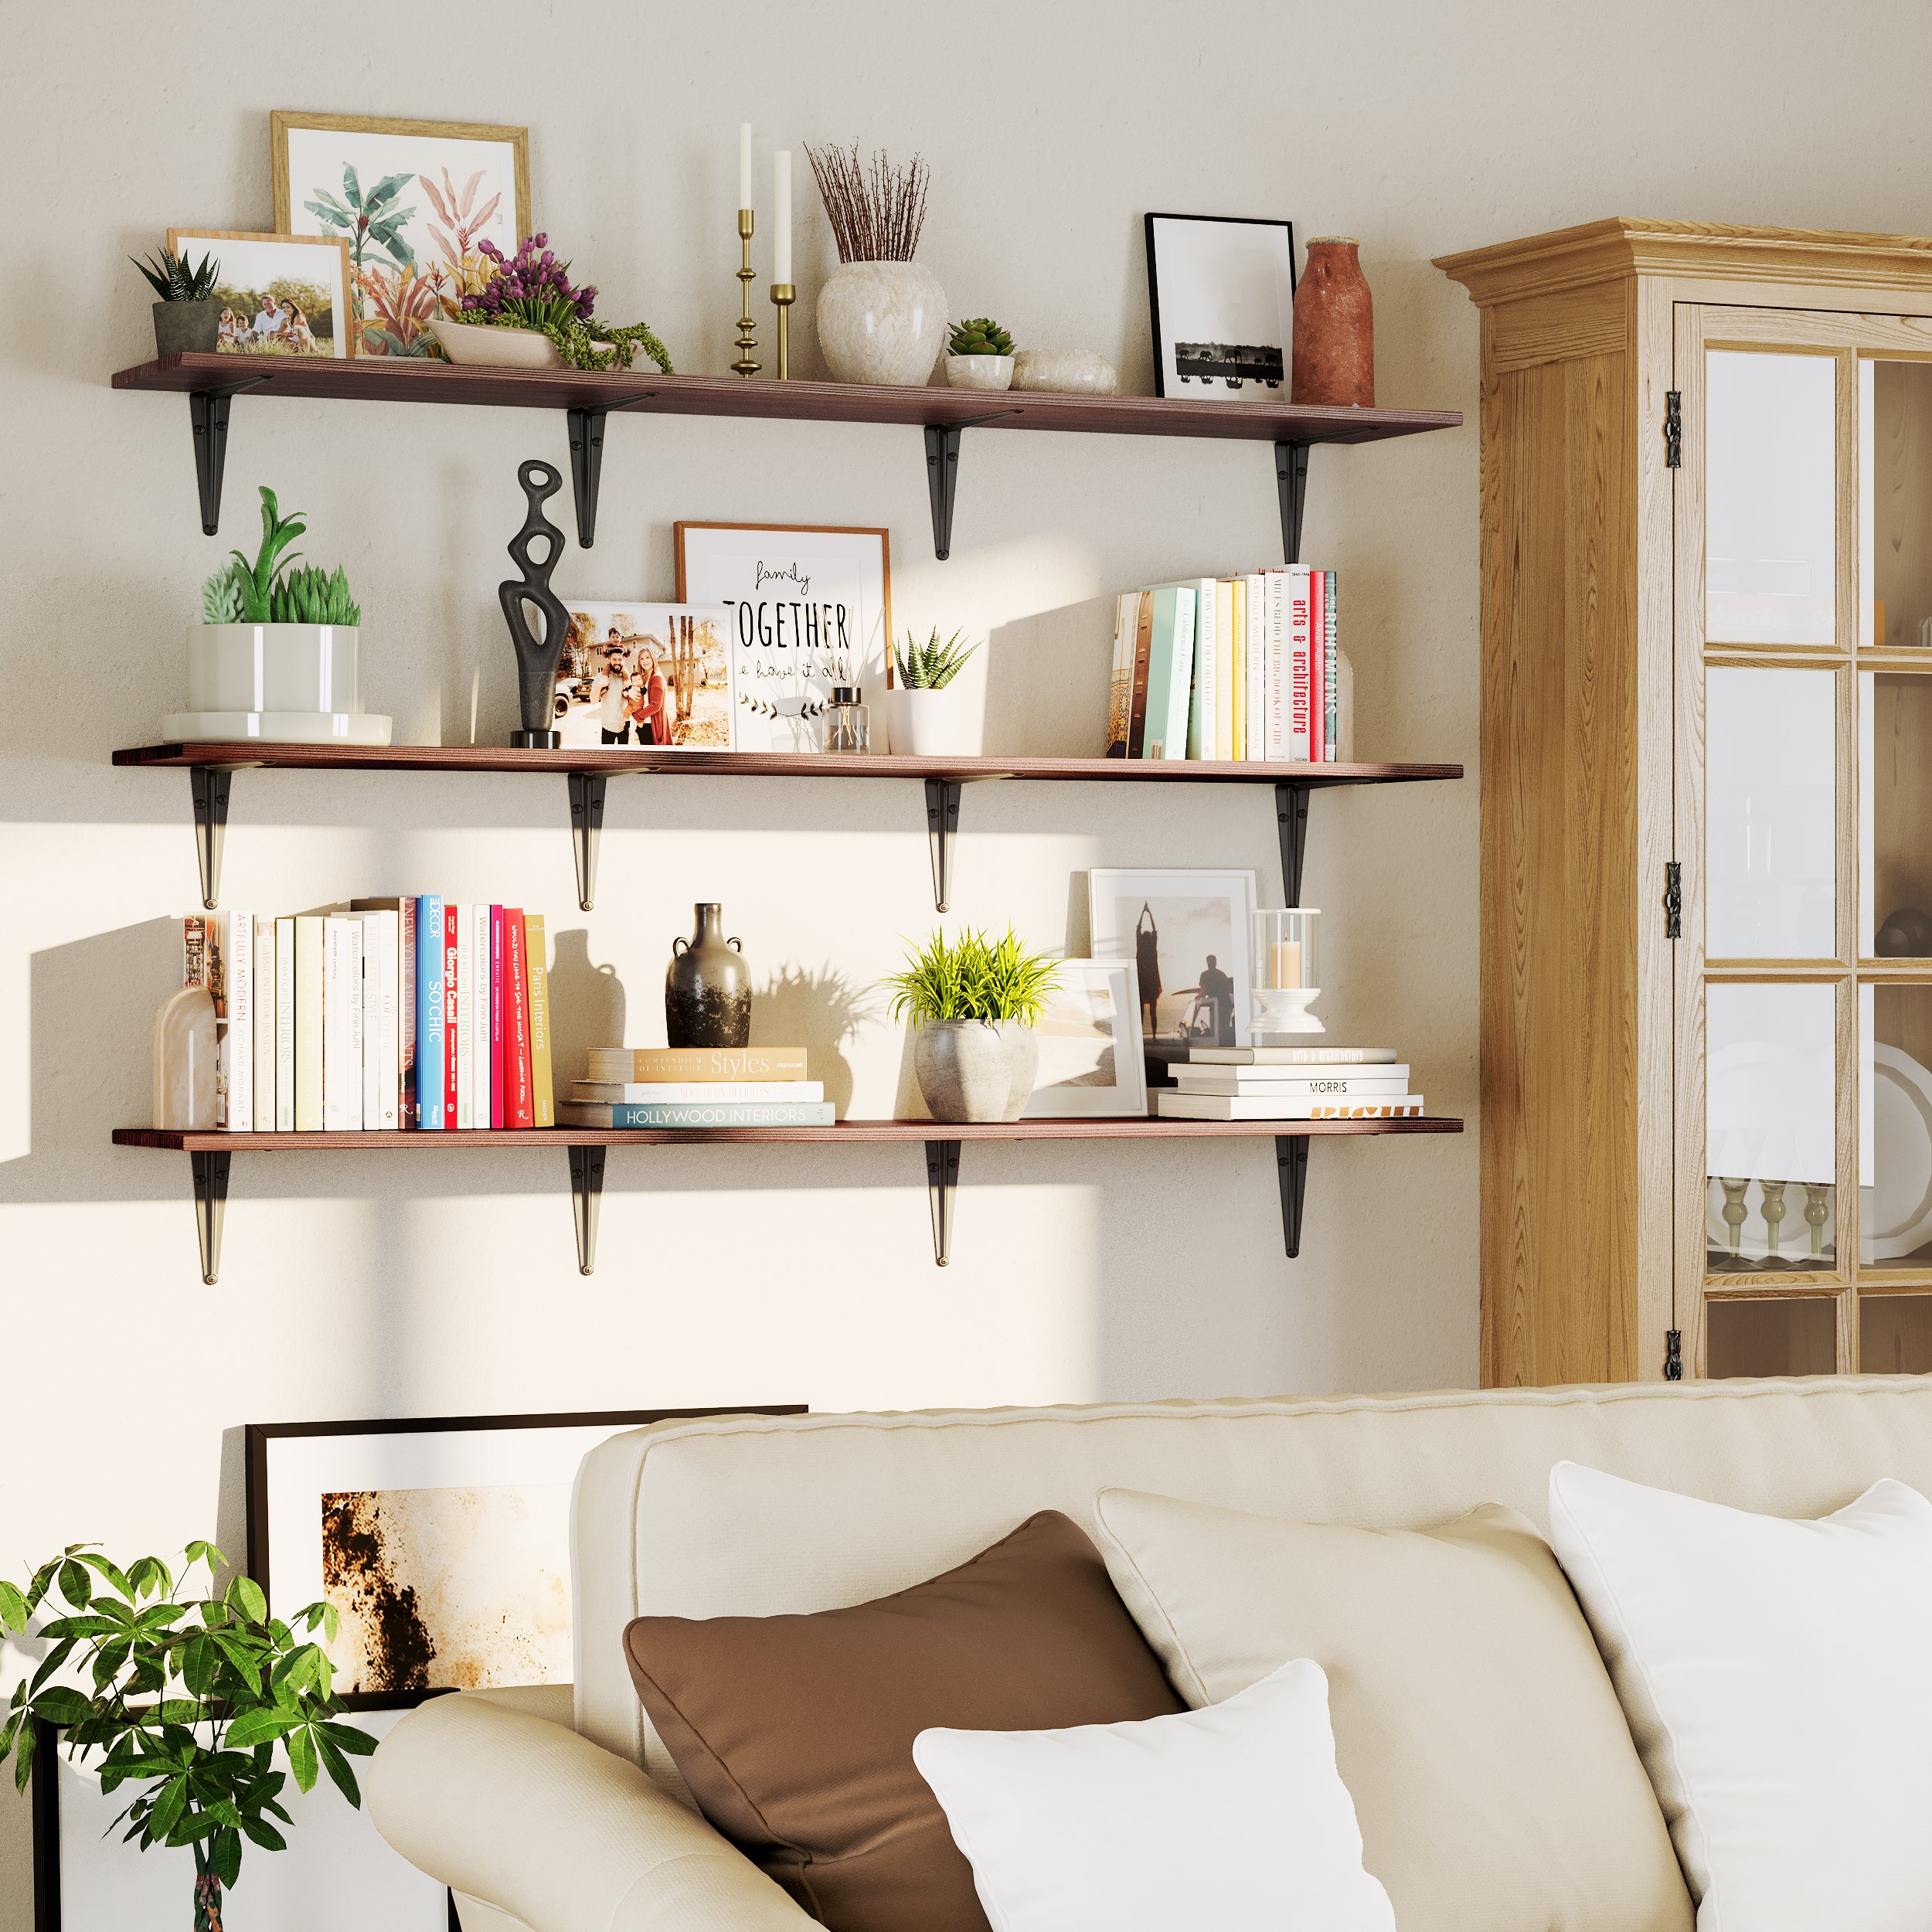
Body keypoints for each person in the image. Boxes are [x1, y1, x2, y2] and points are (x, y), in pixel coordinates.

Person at [1134, 903, 1163, 1037]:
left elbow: (1138, 930)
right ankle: (1154, 1036)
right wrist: (1149, 913)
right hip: (1151, 983)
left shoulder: (1141, 947)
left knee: (1141, 1011)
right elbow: (1154, 931)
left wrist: (1143, 913)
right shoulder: (1152, 948)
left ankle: (1140, 1036)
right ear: (1150, 938)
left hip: (1141, 982)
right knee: (1153, 1012)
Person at [1196, 952, 1236, 1046]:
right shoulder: (1222, 974)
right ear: (1215, 963)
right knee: (1224, 1034)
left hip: (1217, 1007)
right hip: (1227, 1007)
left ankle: (1218, 1051)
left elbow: (1203, 992)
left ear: (1207, 963)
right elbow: (1227, 991)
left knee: (1215, 1035)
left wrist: (1199, 997)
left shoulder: (1205, 975)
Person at [596, 643, 632, 744]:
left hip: (624, 726)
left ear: (623, 661)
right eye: (614, 659)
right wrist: (600, 686)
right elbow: (593, 700)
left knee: (623, 757)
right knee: (607, 758)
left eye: (620, 660)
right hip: (608, 726)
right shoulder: (602, 677)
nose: (617, 662)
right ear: (609, 660)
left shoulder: (627, 678)